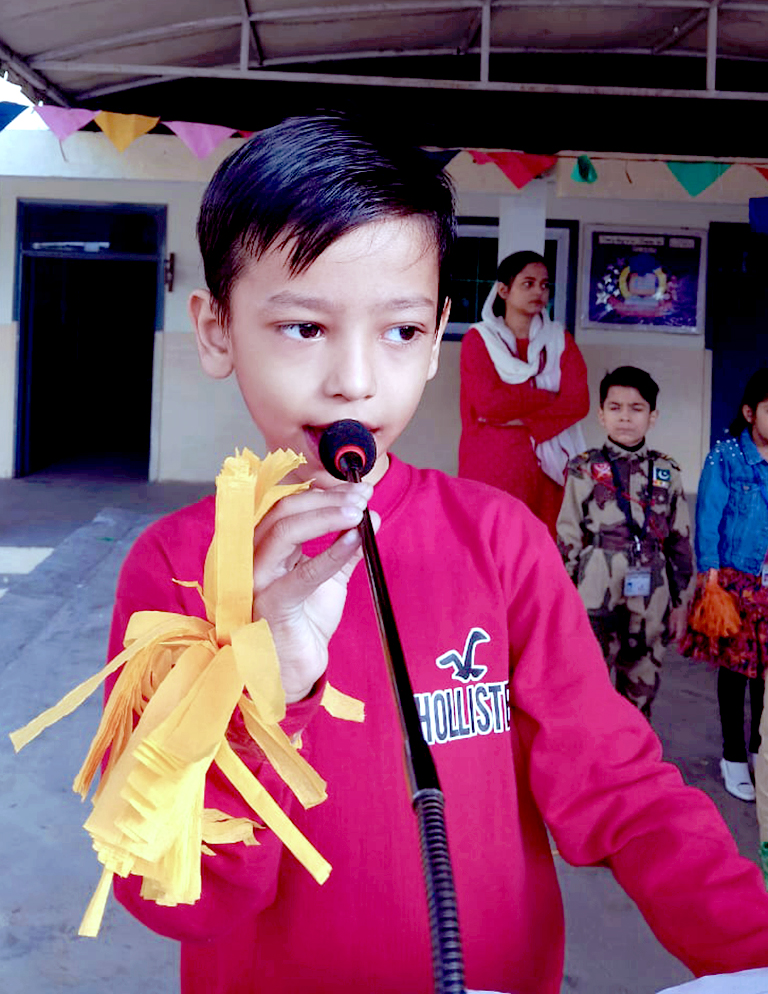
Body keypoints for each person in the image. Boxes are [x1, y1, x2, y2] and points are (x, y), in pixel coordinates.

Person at [108, 115, 768, 994]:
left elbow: (620, 788)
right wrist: (264, 697)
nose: (355, 381)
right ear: (217, 331)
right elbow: (170, 893)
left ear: (437, 338)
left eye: (401, 331)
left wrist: (751, 945)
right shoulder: (172, 567)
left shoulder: (501, 541)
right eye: (303, 327)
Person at [557, 366, 694, 718]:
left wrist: (681, 602)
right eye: (615, 407)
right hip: (595, 585)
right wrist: (564, 601)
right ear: (601, 414)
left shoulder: (667, 471)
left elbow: (679, 542)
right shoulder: (584, 468)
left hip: (651, 590)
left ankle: (635, 751)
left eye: (636, 408)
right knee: (589, 686)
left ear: (652, 416)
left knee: (641, 687)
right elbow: (568, 537)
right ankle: (594, 754)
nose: (625, 417)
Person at [458, 250, 589, 536]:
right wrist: (547, 397)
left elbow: (579, 402)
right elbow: (488, 405)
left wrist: (520, 416)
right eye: (528, 284)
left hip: (548, 470)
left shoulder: (559, 340)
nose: (539, 291)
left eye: (544, 285)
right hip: (493, 461)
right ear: (503, 290)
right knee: (493, 541)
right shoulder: (479, 340)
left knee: (546, 543)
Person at [684, 368, 768, 803]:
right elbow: (709, 516)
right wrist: (710, 573)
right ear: (750, 413)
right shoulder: (726, 456)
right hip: (734, 582)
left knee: (765, 675)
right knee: (735, 673)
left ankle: (758, 749)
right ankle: (733, 756)